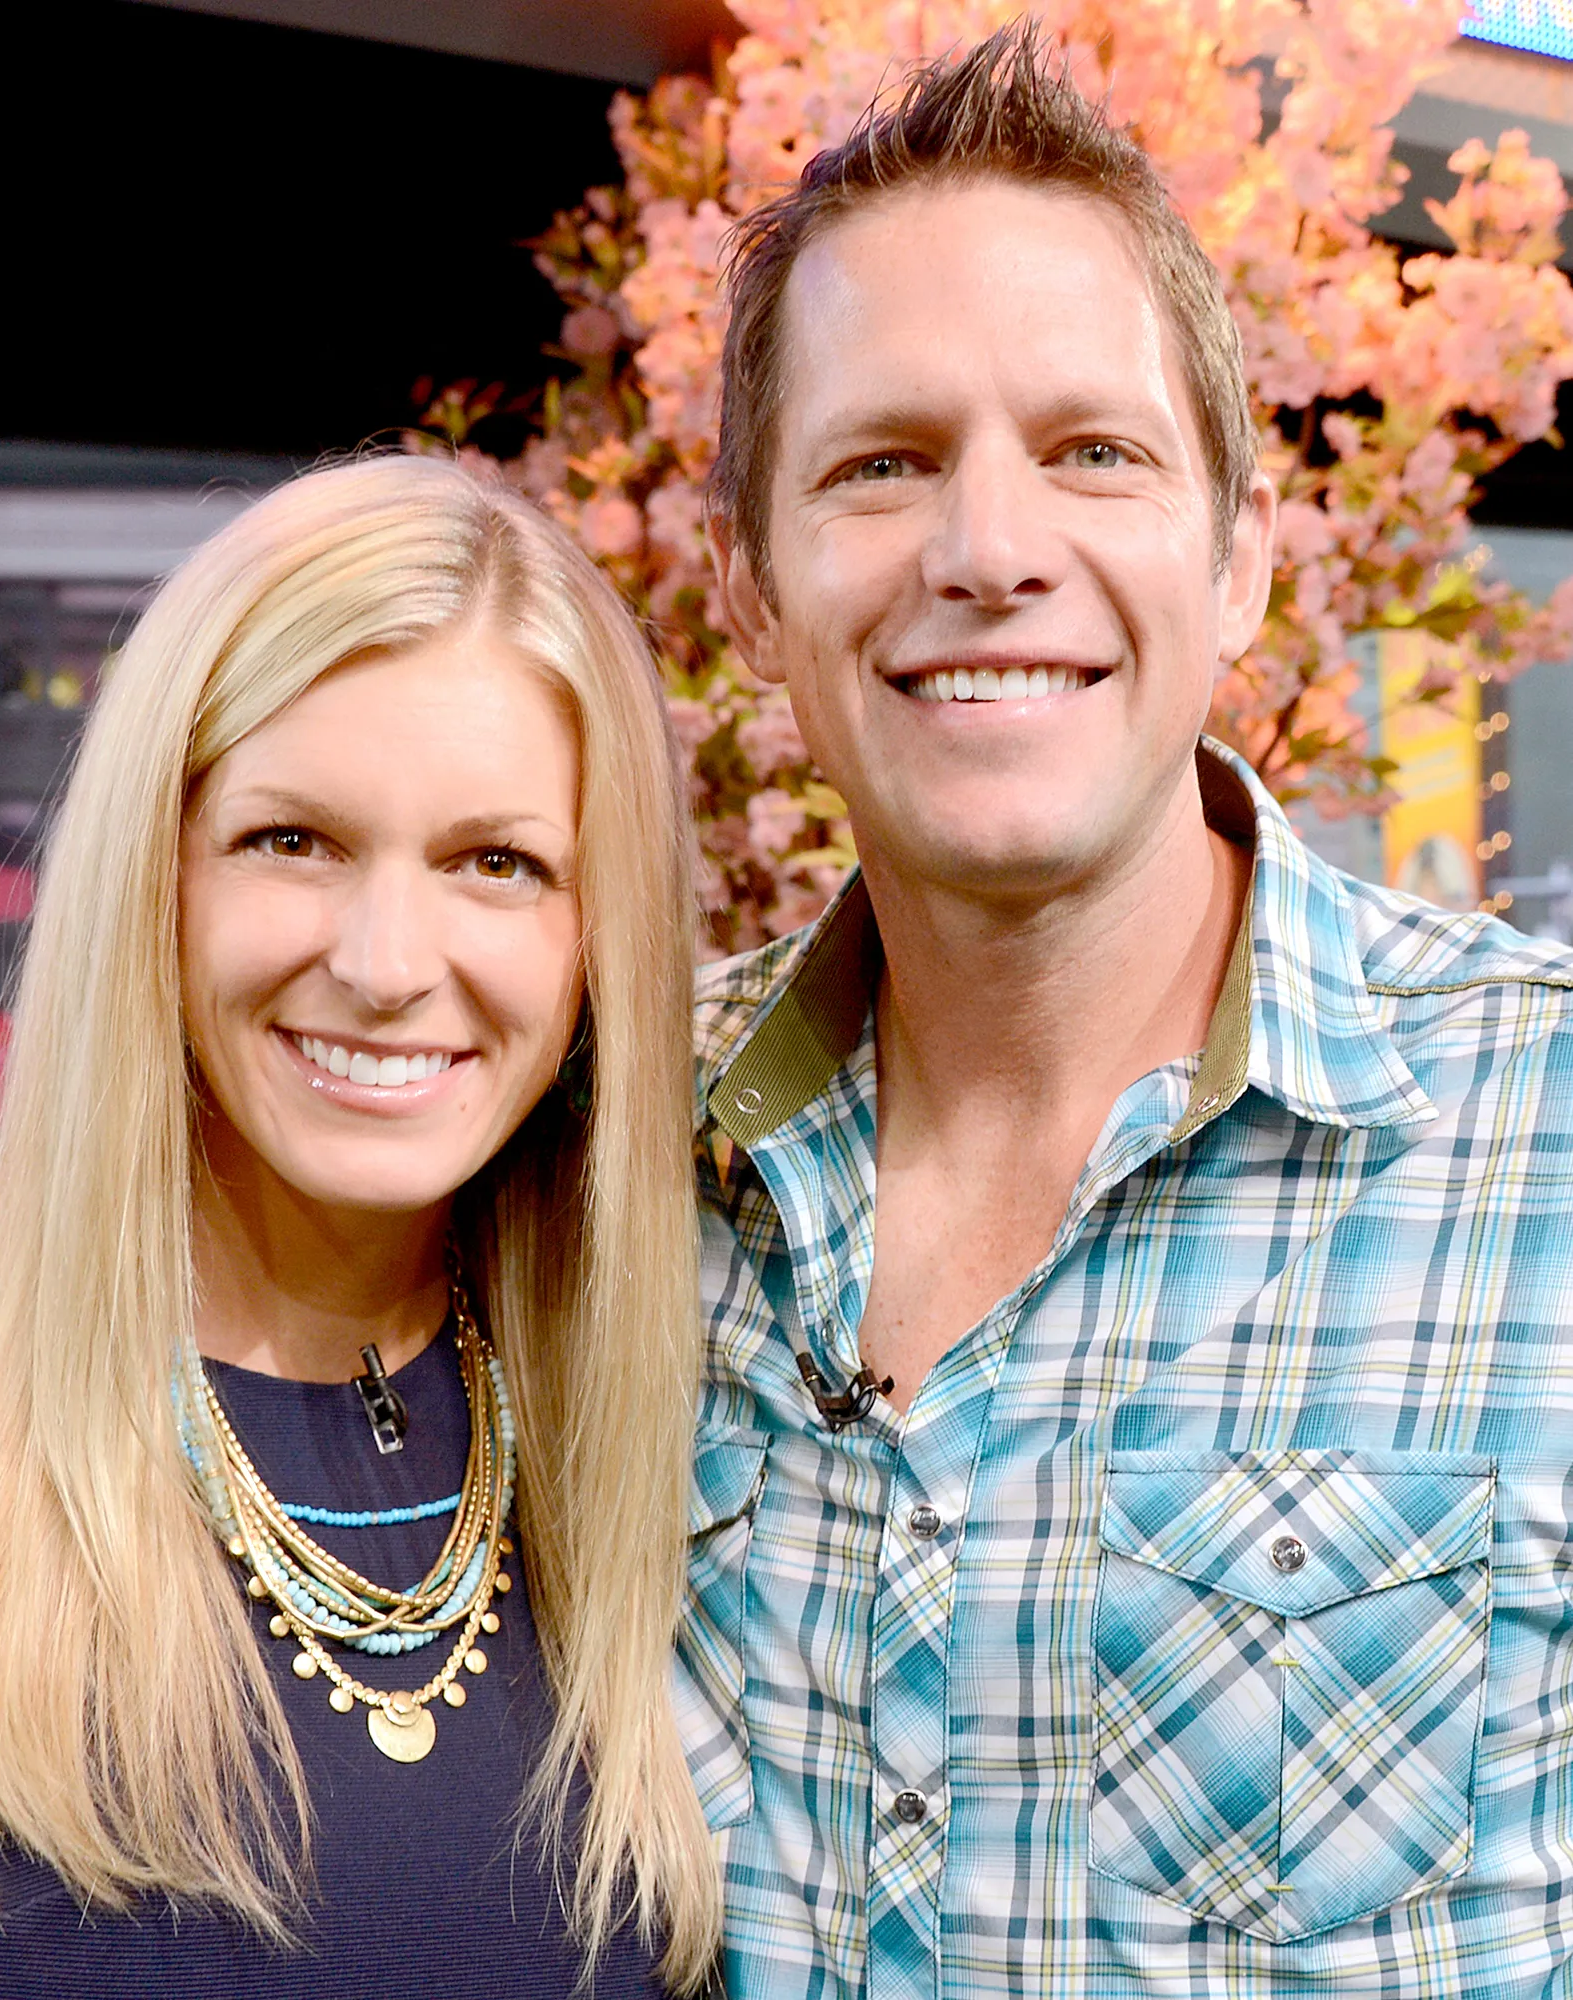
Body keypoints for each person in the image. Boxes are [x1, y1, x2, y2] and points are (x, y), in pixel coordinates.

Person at [678, 20, 1573, 1999]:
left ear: (1241, 561)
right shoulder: (594, 1162)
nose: (990, 553)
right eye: (882, 464)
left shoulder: (1548, 1128)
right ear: (747, 587)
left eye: (1092, 452)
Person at [0, 456, 721, 1998]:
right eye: (293, 840)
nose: (386, 963)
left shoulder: (678, 1460)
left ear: (594, 942)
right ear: (154, 874)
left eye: (497, 863)